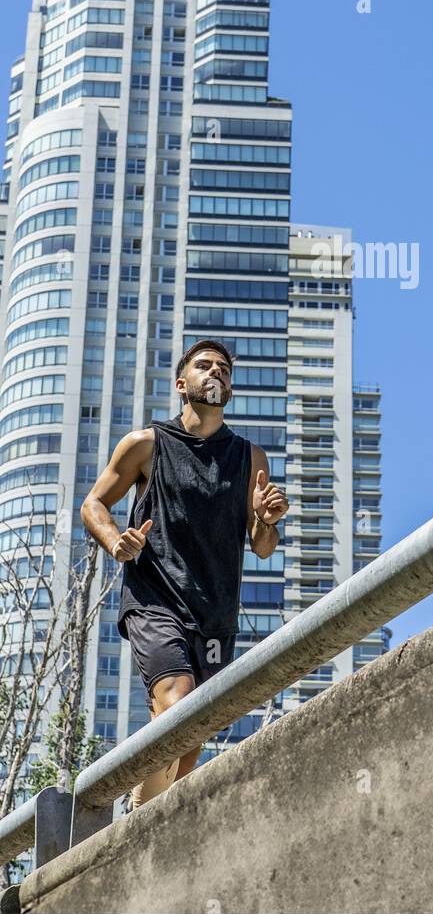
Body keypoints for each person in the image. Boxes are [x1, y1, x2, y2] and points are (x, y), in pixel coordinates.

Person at [80, 338, 289, 811]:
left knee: (187, 743)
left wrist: (268, 520)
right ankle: (135, 817)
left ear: (230, 390)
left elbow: (261, 546)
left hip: (215, 615)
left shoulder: (250, 458)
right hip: (155, 600)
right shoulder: (146, 445)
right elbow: (93, 503)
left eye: (224, 369)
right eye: (204, 366)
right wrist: (117, 541)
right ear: (182, 384)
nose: (215, 372)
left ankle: (139, 821)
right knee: (177, 706)